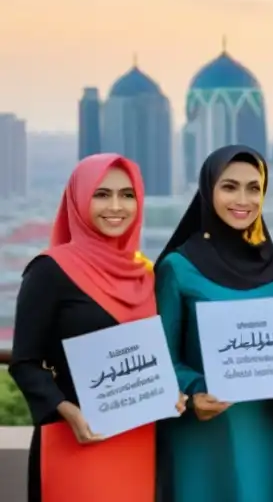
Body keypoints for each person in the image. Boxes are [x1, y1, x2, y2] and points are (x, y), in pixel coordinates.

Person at [9, 153, 186, 502]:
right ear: (77, 199)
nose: (116, 206)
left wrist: (171, 393)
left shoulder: (146, 273)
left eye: (127, 194)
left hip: (139, 439)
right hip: (75, 437)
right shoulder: (49, 271)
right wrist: (66, 410)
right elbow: (25, 362)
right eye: (101, 194)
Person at [155, 145, 273, 502]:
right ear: (208, 190)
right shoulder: (178, 268)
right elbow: (161, 360)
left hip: (263, 430)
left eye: (254, 188)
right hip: (202, 432)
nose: (243, 199)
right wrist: (197, 391)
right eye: (229, 187)